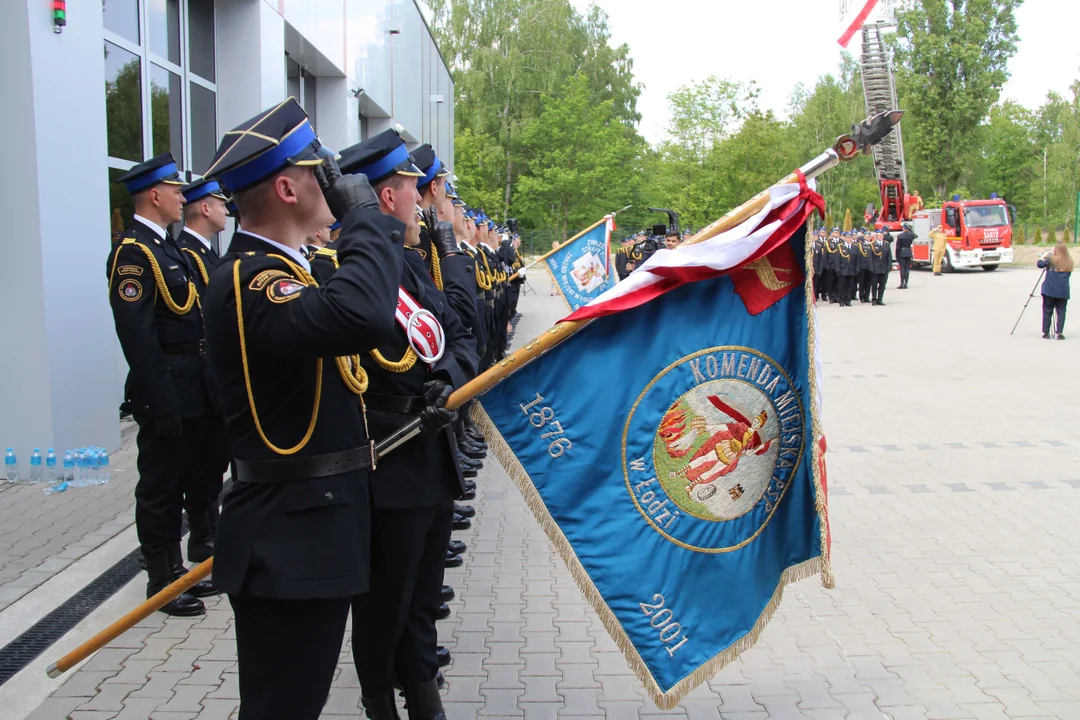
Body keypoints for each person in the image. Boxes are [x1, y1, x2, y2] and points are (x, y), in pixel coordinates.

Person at [201, 98, 405, 720]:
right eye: (321, 172)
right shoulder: (252, 280)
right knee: (281, 707)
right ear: (287, 187)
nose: (336, 183)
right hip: (285, 539)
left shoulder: (291, 271)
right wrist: (367, 218)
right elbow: (362, 314)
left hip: (311, 530)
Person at [337, 130, 476, 720]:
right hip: (388, 457)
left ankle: (422, 691)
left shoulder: (415, 268)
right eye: (414, 192)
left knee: (420, 596)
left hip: (431, 453)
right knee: (383, 601)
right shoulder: (353, 269)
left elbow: (462, 332)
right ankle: (378, 700)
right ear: (386, 199)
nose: (425, 204)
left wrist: (448, 376)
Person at [107, 153, 218, 617]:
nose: (182, 197)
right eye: (175, 190)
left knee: (192, 476)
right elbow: (137, 336)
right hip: (167, 388)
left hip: (193, 385)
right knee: (161, 486)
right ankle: (163, 579)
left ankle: (184, 569)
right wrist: (160, 398)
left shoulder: (168, 248)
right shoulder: (133, 252)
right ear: (155, 195)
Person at [175, 178, 232, 564]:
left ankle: (210, 532)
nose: (227, 209)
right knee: (195, 465)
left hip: (210, 376)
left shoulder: (208, 256)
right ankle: (199, 538)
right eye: (221, 203)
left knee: (213, 461)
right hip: (192, 378)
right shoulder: (187, 255)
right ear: (206, 208)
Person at [1038, 241, 1072, 339]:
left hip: (1049, 290)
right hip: (1063, 291)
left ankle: (1046, 333)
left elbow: (1040, 264)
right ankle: (1060, 333)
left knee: (1047, 310)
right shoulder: (1069, 262)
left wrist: (1042, 256)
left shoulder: (1051, 259)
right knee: (1061, 311)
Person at [870, 231, 892, 306]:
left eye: (882, 235)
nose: (881, 237)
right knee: (874, 285)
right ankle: (874, 299)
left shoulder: (886, 244)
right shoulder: (872, 244)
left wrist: (889, 267)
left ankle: (880, 299)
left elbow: (889, 257)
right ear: (876, 236)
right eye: (879, 235)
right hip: (875, 268)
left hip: (884, 268)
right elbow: (870, 258)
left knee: (882, 285)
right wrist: (871, 268)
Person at [836, 232, 856, 306]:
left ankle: (848, 300)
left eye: (850, 237)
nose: (849, 239)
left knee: (850, 286)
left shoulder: (854, 247)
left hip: (851, 270)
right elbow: (837, 259)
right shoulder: (840, 247)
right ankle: (841, 301)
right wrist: (837, 269)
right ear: (844, 238)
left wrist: (857, 269)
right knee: (842, 286)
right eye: (847, 237)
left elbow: (857, 260)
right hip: (843, 269)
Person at [895, 223, 914, 288]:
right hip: (908, 252)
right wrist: (910, 230)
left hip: (902, 252)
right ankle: (906, 283)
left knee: (902, 269)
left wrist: (897, 255)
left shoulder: (900, 236)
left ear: (903, 228)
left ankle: (902, 283)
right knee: (907, 268)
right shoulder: (911, 235)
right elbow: (916, 235)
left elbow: (898, 246)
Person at [856, 232, 873, 303]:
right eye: (866, 236)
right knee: (862, 282)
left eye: (869, 236)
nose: (868, 237)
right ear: (864, 237)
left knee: (868, 283)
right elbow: (858, 257)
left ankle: (867, 296)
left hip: (870, 266)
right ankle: (861, 297)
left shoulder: (872, 244)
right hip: (863, 266)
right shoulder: (860, 245)